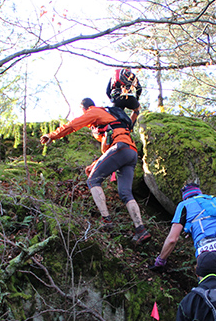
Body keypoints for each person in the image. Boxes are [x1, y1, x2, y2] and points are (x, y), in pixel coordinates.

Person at [40, 98, 151, 244]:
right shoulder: (110, 116)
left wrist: (52, 135)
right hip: (130, 153)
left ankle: (106, 220)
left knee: (93, 180)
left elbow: (74, 124)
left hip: (120, 147)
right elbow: (110, 150)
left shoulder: (94, 111)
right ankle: (141, 230)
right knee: (125, 193)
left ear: (83, 107)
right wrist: (95, 164)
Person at [150, 183, 216, 282]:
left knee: (209, 291)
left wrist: (160, 261)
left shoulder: (184, 205)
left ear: (185, 197)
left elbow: (172, 239)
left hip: (211, 254)